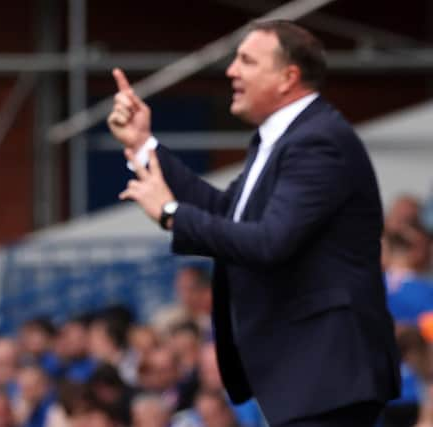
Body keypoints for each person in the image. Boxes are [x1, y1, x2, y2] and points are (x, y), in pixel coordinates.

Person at [107, 19, 400, 427]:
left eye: (246, 61)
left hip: (327, 375)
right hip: (308, 377)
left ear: (287, 77)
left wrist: (172, 214)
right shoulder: (281, 138)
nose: (232, 71)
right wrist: (142, 145)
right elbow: (229, 213)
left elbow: (269, 242)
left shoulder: (318, 141)